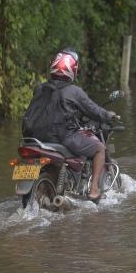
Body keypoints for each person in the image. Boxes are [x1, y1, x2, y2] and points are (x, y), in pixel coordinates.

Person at [24, 49, 120, 203]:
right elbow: (93, 110)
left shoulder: (41, 88)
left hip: (34, 138)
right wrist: (108, 115)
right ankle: (94, 190)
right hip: (61, 137)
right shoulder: (73, 91)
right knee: (99, 148)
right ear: (72, 70)